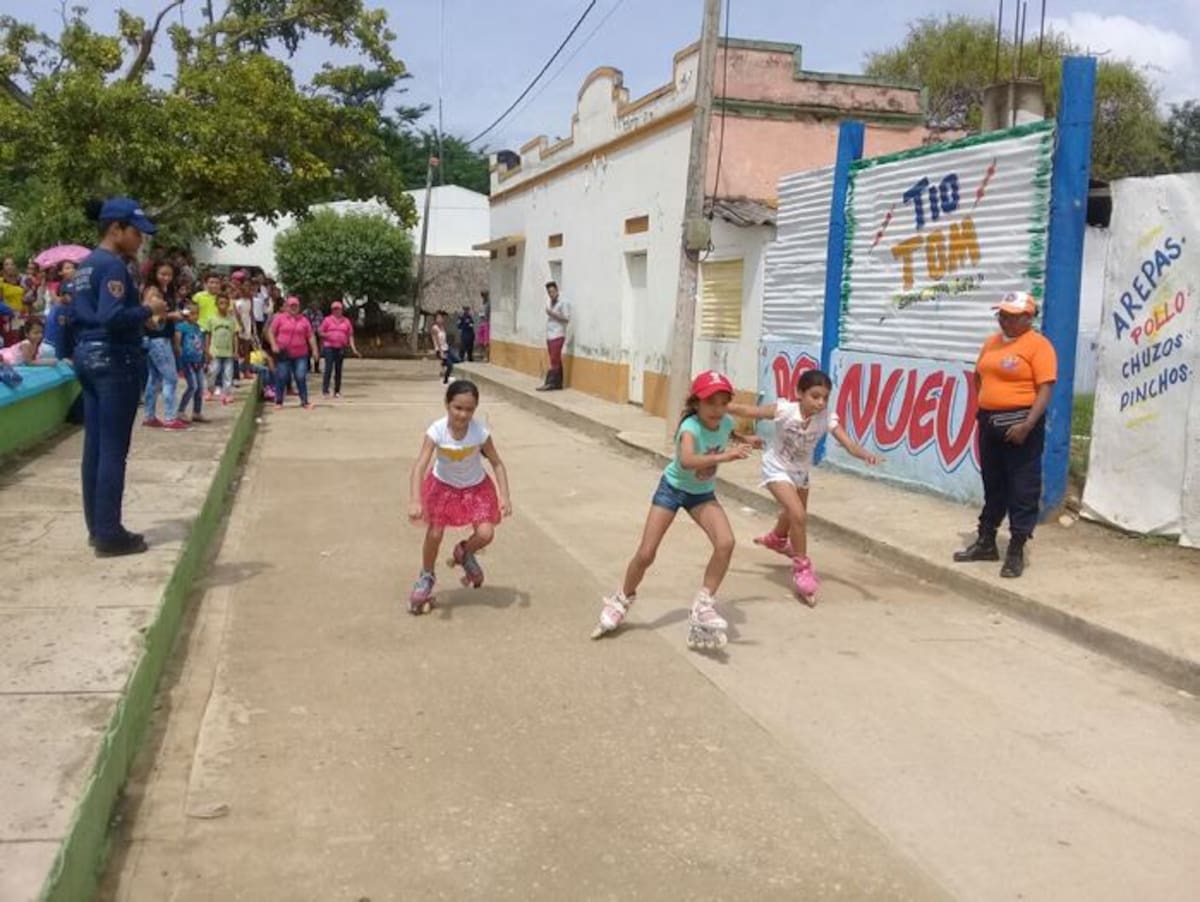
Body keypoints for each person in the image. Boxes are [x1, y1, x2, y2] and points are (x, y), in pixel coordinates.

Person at [591, 371, 760, 649]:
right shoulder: (689, 428)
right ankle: (622, 598)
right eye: (711, 403)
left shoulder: (725, 420)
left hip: (701, 494)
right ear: (696, 404)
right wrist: (726, 456)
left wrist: (745, 438)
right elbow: (687, 461)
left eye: (723, 403)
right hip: (672, 490)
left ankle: (704, 603)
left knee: (726, 542)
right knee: (646, 554)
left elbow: (727, 429)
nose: (717, 410)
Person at [730, 370, 880, 606]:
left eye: (824, 398)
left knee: (794, 515)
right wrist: (718, 406)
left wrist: (865, 455)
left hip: (801, 473)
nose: (820, 402)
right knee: (797, 514)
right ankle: (802, 569)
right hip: (776, 468)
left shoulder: (826, 419)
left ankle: (778, 539)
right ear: (800, 393)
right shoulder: (784, 410)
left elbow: (848, 444)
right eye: (815, 396)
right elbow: (749, 411)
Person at [72, 197, 167, 556]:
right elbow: (112, 318)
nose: (141, 240)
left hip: (87, 355)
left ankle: (97, 527)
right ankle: (110, 532)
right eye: (136, 232)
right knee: (113, 449)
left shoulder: (84, 266)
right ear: (116, 229)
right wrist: (149, 308)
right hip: (114, 359)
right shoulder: (112, 266)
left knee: (94, 447)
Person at [954, 291, 1058, 578]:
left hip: (1021, 424)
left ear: (1028, 317)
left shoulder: (1039, 346)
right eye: (1002, 315)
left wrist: (1027, 424)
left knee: (1023, 486)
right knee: (993, 483)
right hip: (990, 423)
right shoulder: (991, 343)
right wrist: (985, 408)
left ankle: (1016, 549)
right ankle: (986, 541)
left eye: (1011, 316)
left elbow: (1045, 388)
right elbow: (979, 376)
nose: (1005, 321)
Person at [407, 379, 512, 614]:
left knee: (486, 533)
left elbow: (497, 463)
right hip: (443, 488)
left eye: (469, 409)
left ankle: (464, 552)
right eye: (458, 408)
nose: (463, 415)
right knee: (434, 533)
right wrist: (415, 499)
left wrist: (504, 495)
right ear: (447, 404)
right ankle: (426, 576)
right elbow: (420, 465)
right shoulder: (436, 430)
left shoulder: (480, 433)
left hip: (476, 489)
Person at [141, 284, 187, 429]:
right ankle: (170, 417)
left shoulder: (148, 299)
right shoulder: (152, 298)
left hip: (152, 342)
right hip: (159, 342)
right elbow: (153, 320)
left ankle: (149, 416)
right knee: (170, 378)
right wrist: (170, 315)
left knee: (154, 379)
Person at [268, 295, 319, 410]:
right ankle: (279, 401)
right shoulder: (279, 318)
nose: (293, 308)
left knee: (300, 376)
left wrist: (315, 350)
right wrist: (274, 344)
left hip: (301, 354)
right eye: (291, 306)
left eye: (296, 306)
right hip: (283, 353)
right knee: (282, 376)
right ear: (286, 307)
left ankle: (304, 401)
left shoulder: (304, 320)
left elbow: (310, 336)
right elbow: (271, 332)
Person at [318, 301, 361, 399]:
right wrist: (327, 335)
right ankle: (325, 391)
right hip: (329, 347)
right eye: (335, 309)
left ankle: (337, 391)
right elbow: (320, 332)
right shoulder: (327, 320)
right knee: (328, 369)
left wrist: (354, 348)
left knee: (338, 370)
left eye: (339, 309)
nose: (337, 311)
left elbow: (350, 335)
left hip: (341, 347)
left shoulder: (346, 321)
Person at [204, 294, 239, 406]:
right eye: (220, 303)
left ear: (229, 305)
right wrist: (207, 349)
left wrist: (236, 351)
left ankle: (227, 393)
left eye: (225, 303)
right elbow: (208, 335)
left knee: (228, 374)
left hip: (228, 352)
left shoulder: (232, 320)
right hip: (215, 351)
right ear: (216, 305)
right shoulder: (212, 319)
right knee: (212, 372)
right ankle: (210, 390)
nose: (223, 306)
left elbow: (235, 336)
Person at [176, 302, 208, 423]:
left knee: (200, 387)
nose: (195, 316)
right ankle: (181, 410)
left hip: (198, 360)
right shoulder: (181, 327)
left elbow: (201, 342)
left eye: (197, 313)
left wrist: (206, 354)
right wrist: (181, 359)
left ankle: (197, 412)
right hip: (187, 361)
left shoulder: (198, 327)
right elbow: (178, 344)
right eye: (192, 313)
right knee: (192, 386)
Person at [537, 281, 570, 391]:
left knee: (554, 360)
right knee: (556, 359)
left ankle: (550, 382)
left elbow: (566, 319)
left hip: (558, 334)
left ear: (557, 290)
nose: (551, 294)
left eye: (553, 291)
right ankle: (558, 383)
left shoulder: (563, 303)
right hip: (550, 335)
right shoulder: (549, 302)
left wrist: (552, 314)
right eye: (549, 292)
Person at [431, 310, 457, 384]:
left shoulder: (442, 327)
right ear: (435, 319)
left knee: (457, 360)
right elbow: (437, 341)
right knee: (450, 365)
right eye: (438, 318)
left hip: (446, 348)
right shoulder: (434, 328)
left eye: (441, 318)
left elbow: (444, 340)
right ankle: (445, 379)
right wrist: (441, 352)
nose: (440, 319)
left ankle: (443, 368)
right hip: (440, 350)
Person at [477, 290, 491, 361]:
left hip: (486, 323)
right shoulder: (481, 304)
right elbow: (480, 313)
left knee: (486, 341)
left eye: (484, 295)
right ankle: (482, 354)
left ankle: (486, 356)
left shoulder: (489, 304)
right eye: (482, 295)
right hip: (481, 322)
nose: (483, 297)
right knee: (480, 341)